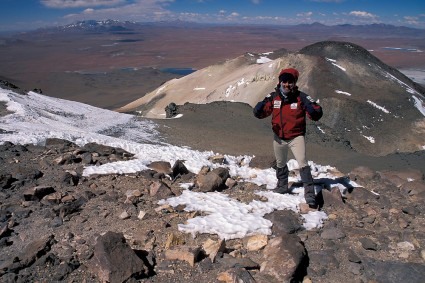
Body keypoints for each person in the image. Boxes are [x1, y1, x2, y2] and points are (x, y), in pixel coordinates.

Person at [253, 68, 323, 208]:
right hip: (279, 137)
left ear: (294, 83)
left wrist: (313, 111)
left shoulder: (301, 98)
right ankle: (282, 186)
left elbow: (316, 112)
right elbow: (262, 112)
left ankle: (309, 194)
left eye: (290, 82)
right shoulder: (274, 97)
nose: (287, 85)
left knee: (302, 163)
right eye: (284, 81)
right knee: (280, 163)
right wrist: (258, 109)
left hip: (296, 137)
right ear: (280, 82)